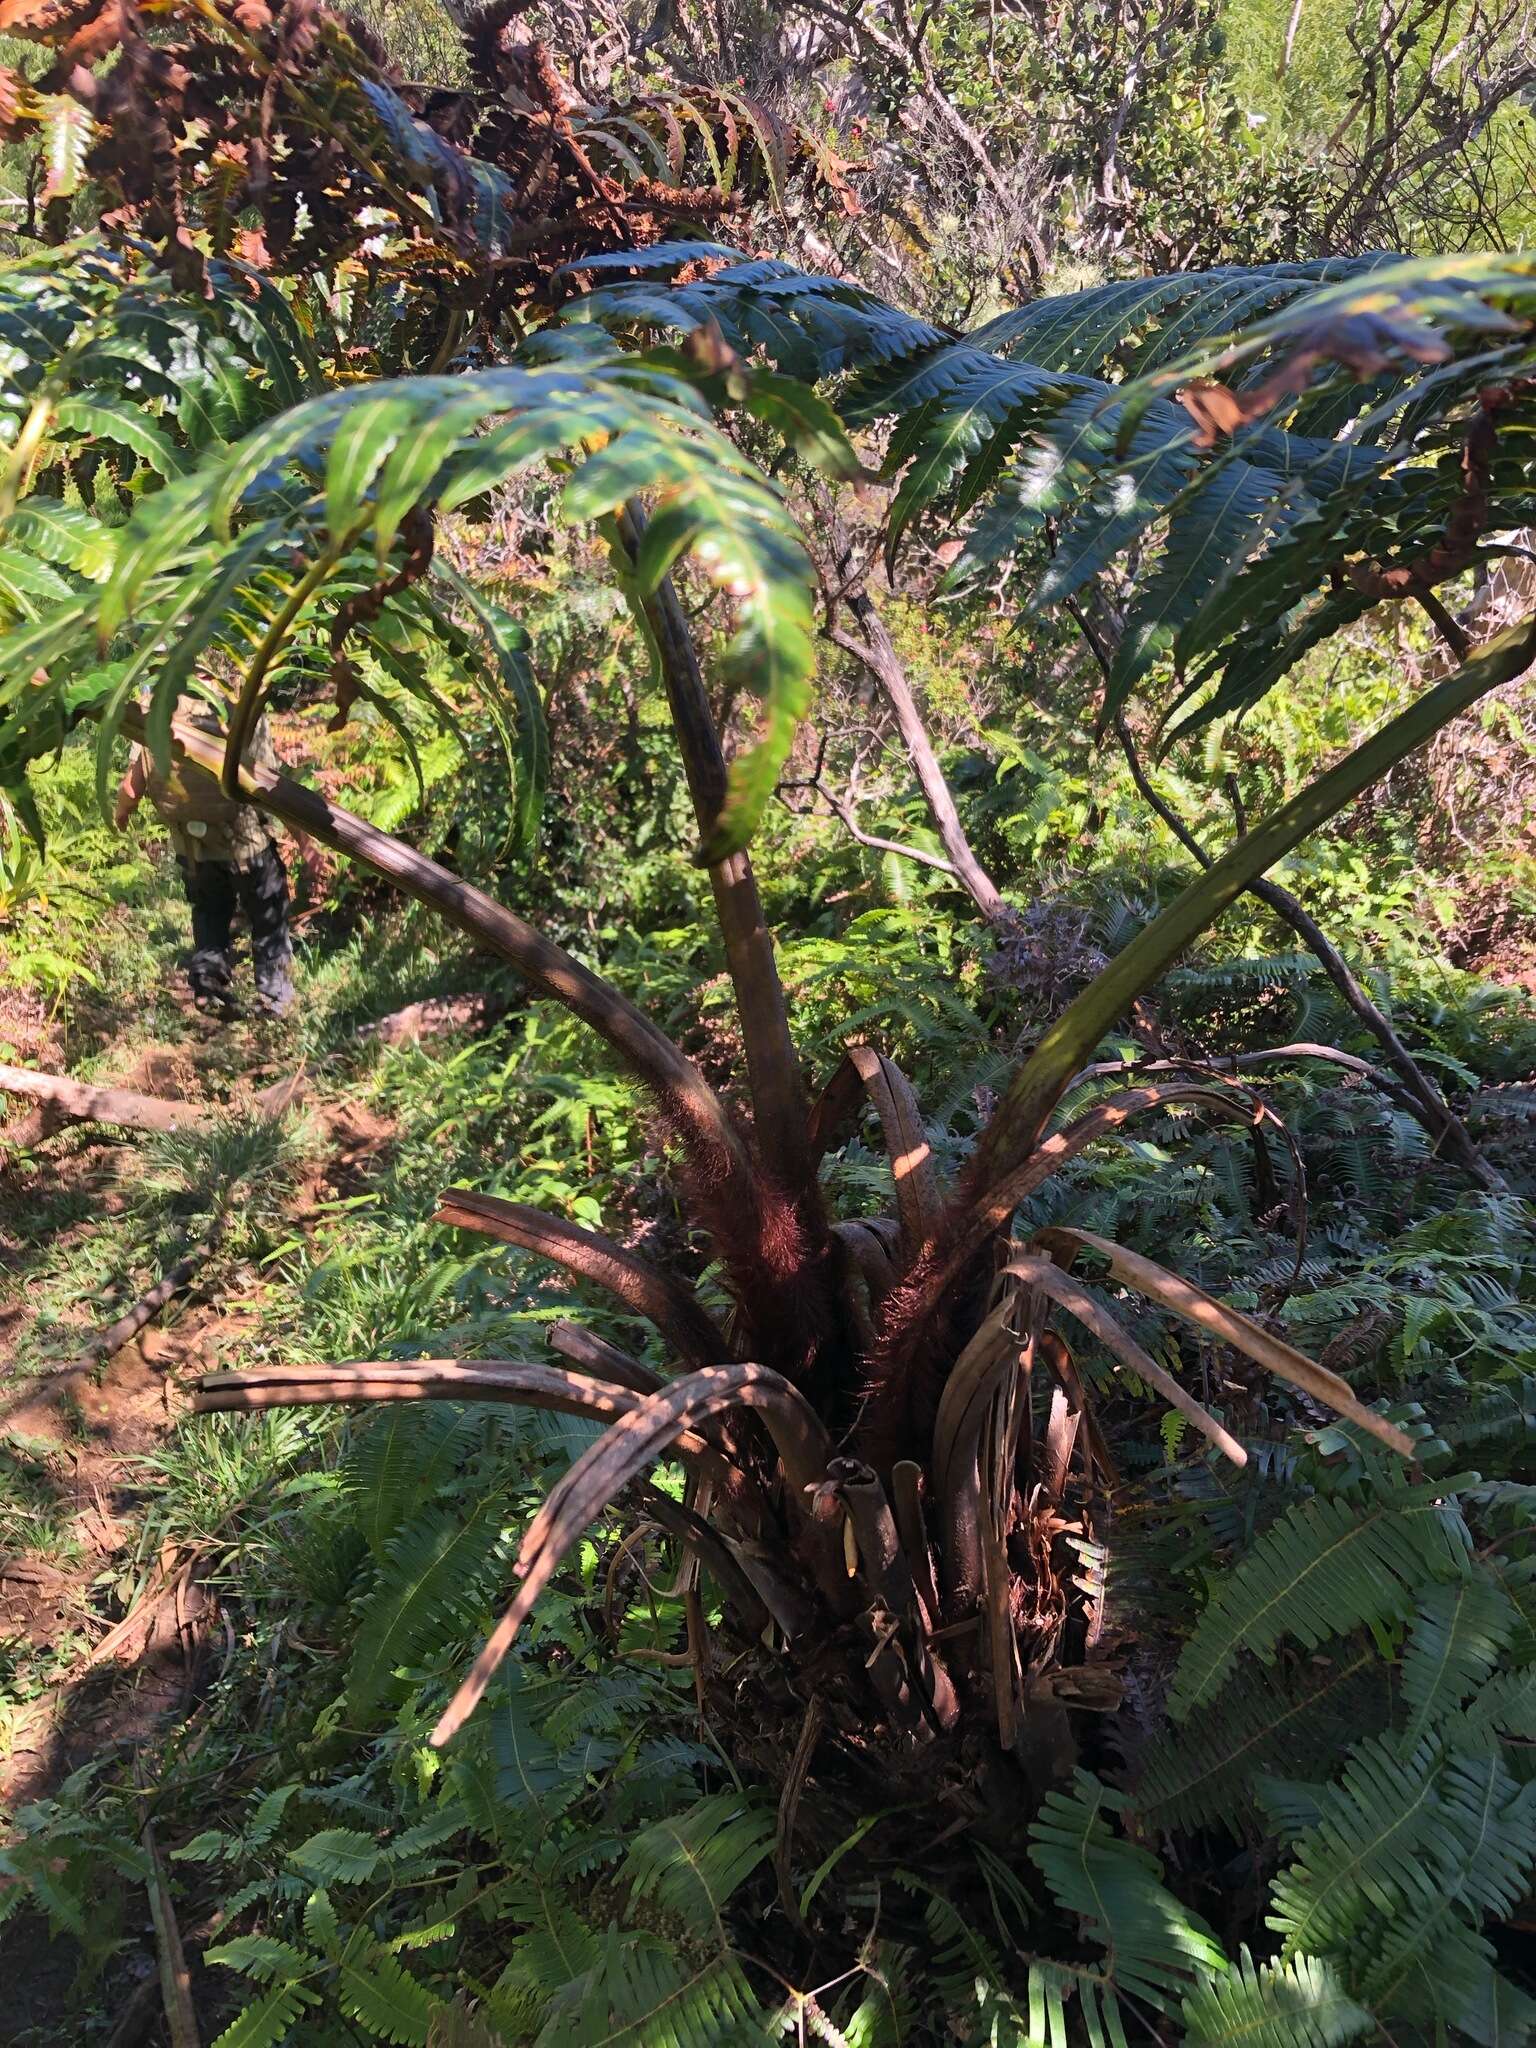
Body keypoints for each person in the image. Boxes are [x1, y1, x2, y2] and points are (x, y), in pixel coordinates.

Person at [115, 700, 310, 1018]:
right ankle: (275, 1000)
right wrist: (305, 842)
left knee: (209, 909)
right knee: (268, 915)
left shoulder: (159, 705)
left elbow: (131, 786)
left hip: (192, 846)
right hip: (246, 844)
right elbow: (271, 784)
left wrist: (121, 813)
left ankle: (208, 987)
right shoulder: (241, 706)